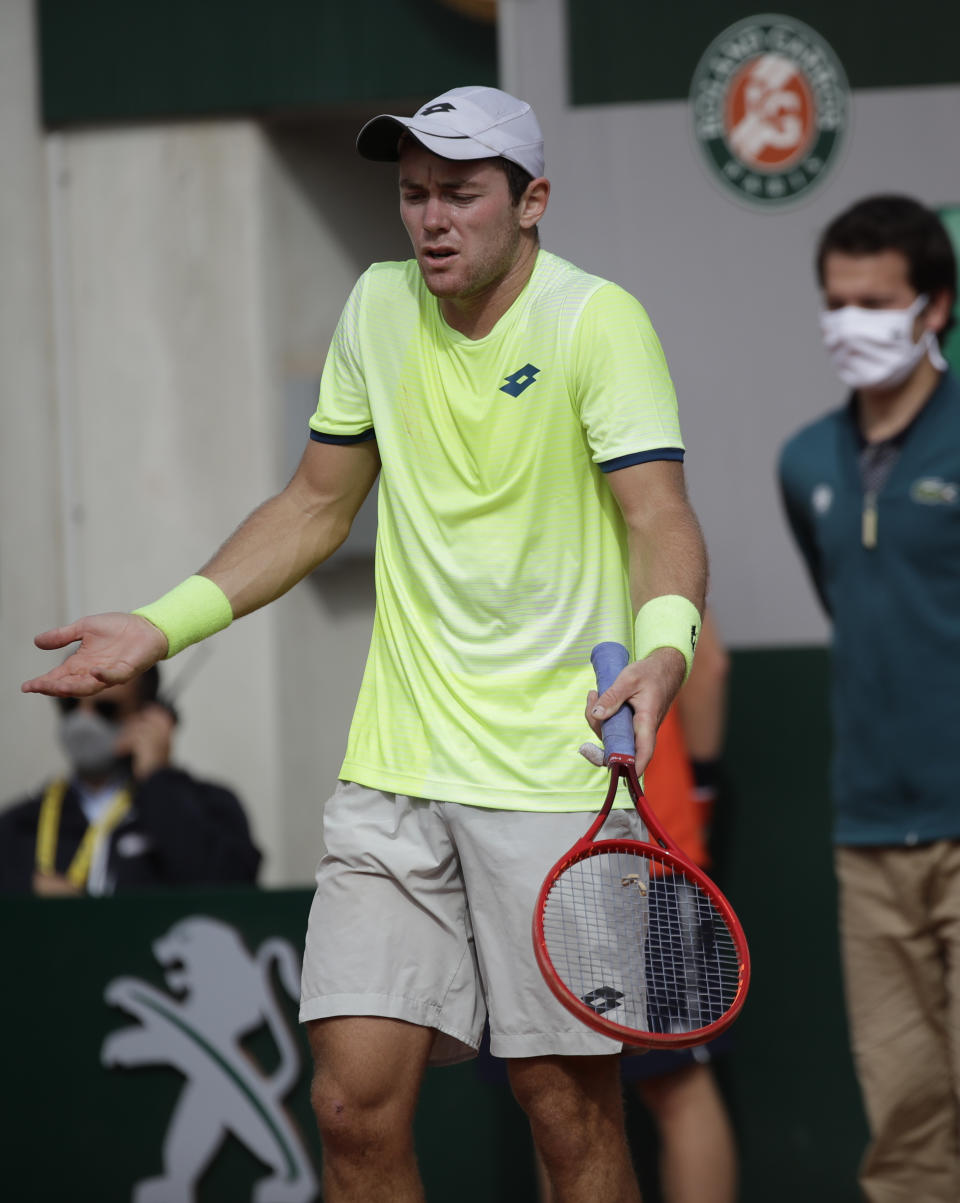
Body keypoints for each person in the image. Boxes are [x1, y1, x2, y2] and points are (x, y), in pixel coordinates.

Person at [22, 86, 707, 1202]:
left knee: (565, 1113)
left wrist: (664, 647)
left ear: (532, 201)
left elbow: (658, 517)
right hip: (393, 776)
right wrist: (156, 626)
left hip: (555, 784)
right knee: (347, 1109)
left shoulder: (598, 323)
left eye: (462, 195)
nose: (432, 220)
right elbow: (311, 507)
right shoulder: (378, 307)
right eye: (413, 194)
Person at [778, 194, 959, 1203]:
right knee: (902, 1125)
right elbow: (846, 601)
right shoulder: (804, 459)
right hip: (869, 840)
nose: (851, 323)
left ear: (933, 307)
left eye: (875, 302)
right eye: (835, 302)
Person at [2, 665, 261, 895]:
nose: (83, 720)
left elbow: (229, 892)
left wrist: (157, 778)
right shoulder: (21, 822)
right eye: (70, 705)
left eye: (106, 708)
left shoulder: (210, 806)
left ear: (149, 715)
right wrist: (24, 887)